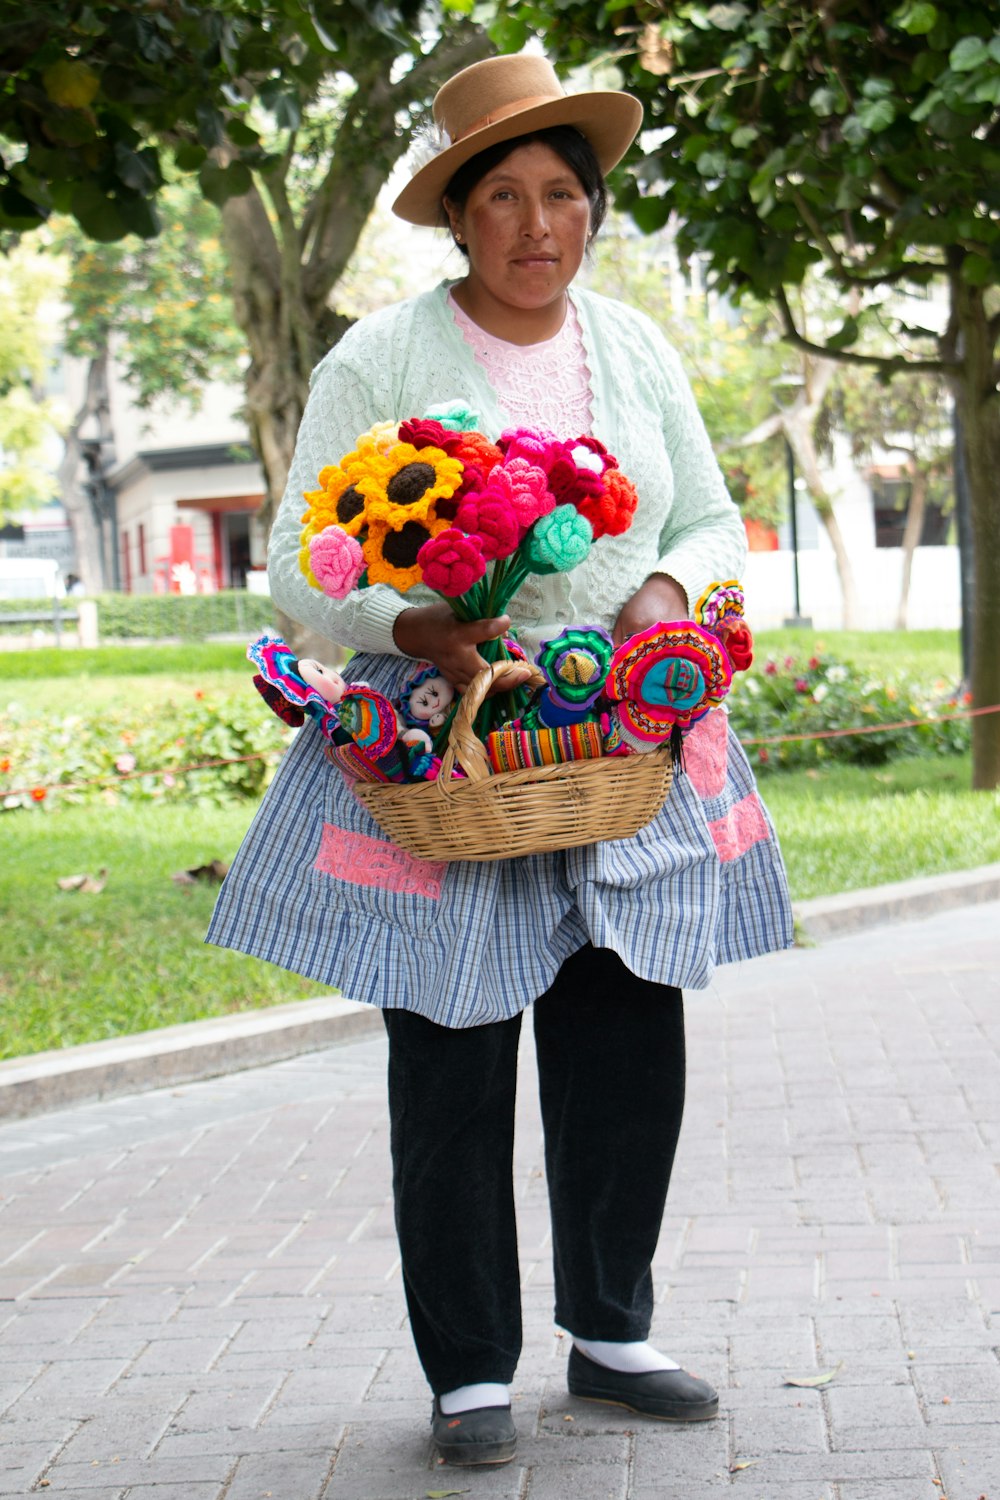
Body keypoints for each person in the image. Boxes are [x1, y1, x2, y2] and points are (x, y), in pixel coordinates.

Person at [208, 52, 794, 1468]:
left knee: (625, 1032)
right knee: (454, 1049)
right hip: (451, 747)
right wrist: (410, 618)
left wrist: (666, 596)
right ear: (458, 217)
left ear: (591, 210)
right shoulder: (385, 357)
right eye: (505, 198)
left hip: (615, 734)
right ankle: (469, 1368)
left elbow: (709, 520)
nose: (539, 226)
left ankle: (611, 1326)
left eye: (564, 196)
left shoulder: (637, 350)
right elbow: (304, 551)